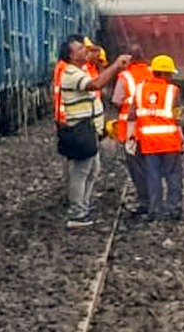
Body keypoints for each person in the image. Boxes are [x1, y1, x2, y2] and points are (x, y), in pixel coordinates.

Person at [56, 36, 130, 228]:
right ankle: (77, 213)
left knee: (92, 169)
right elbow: (95, 85)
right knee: (81, 171)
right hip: (80, 130)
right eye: (81, 49)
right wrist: (115, 66)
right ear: (72, 55)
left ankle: (83, 206)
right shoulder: (72, 74)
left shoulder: (78, 70)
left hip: (88, 130)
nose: (85, 51)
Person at [135, 55, 184, 221]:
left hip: (149, 142)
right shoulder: (173, 91)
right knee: (173, 176)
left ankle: (154, 210)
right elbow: (178, 117)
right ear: (164, 74)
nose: (171, 77)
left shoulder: (140, 89)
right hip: (170, 142)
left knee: (153, 176)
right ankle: (173, 209)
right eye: (170, 74)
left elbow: (133, 114)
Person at [111, 48, 154, 215]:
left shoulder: (125, 76)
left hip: (131, 128)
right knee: (152, 164)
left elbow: (116, 100)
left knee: (136, 165)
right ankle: (155, 198)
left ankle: (144, 200)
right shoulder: (153, 72)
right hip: (151, 126)